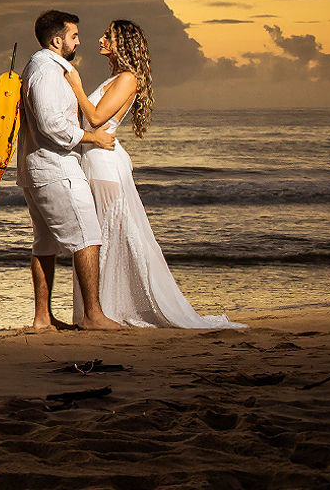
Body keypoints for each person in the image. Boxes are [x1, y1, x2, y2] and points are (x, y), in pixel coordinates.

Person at [62, 19, 243, 329]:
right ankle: (100, 310)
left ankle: (106, 310)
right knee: (99, 235)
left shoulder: (128, 79)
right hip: (94, 161)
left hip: (105, 166)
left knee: (105, 234)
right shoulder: (117, 78)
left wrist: (75, 86)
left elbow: (95, 117)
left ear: (124, 43)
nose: (102, 38)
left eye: (109, 35)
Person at [18, 10, 123, 331]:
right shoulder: (49, 72)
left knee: (45, 243)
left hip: (38, 168)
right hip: (56, 167)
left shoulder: (39, 67)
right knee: (88, 236)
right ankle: (93, 316)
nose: (79, 41)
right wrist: (92, 136)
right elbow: (52, 124)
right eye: (74, 36)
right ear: (57, 40)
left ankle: (42, 319)